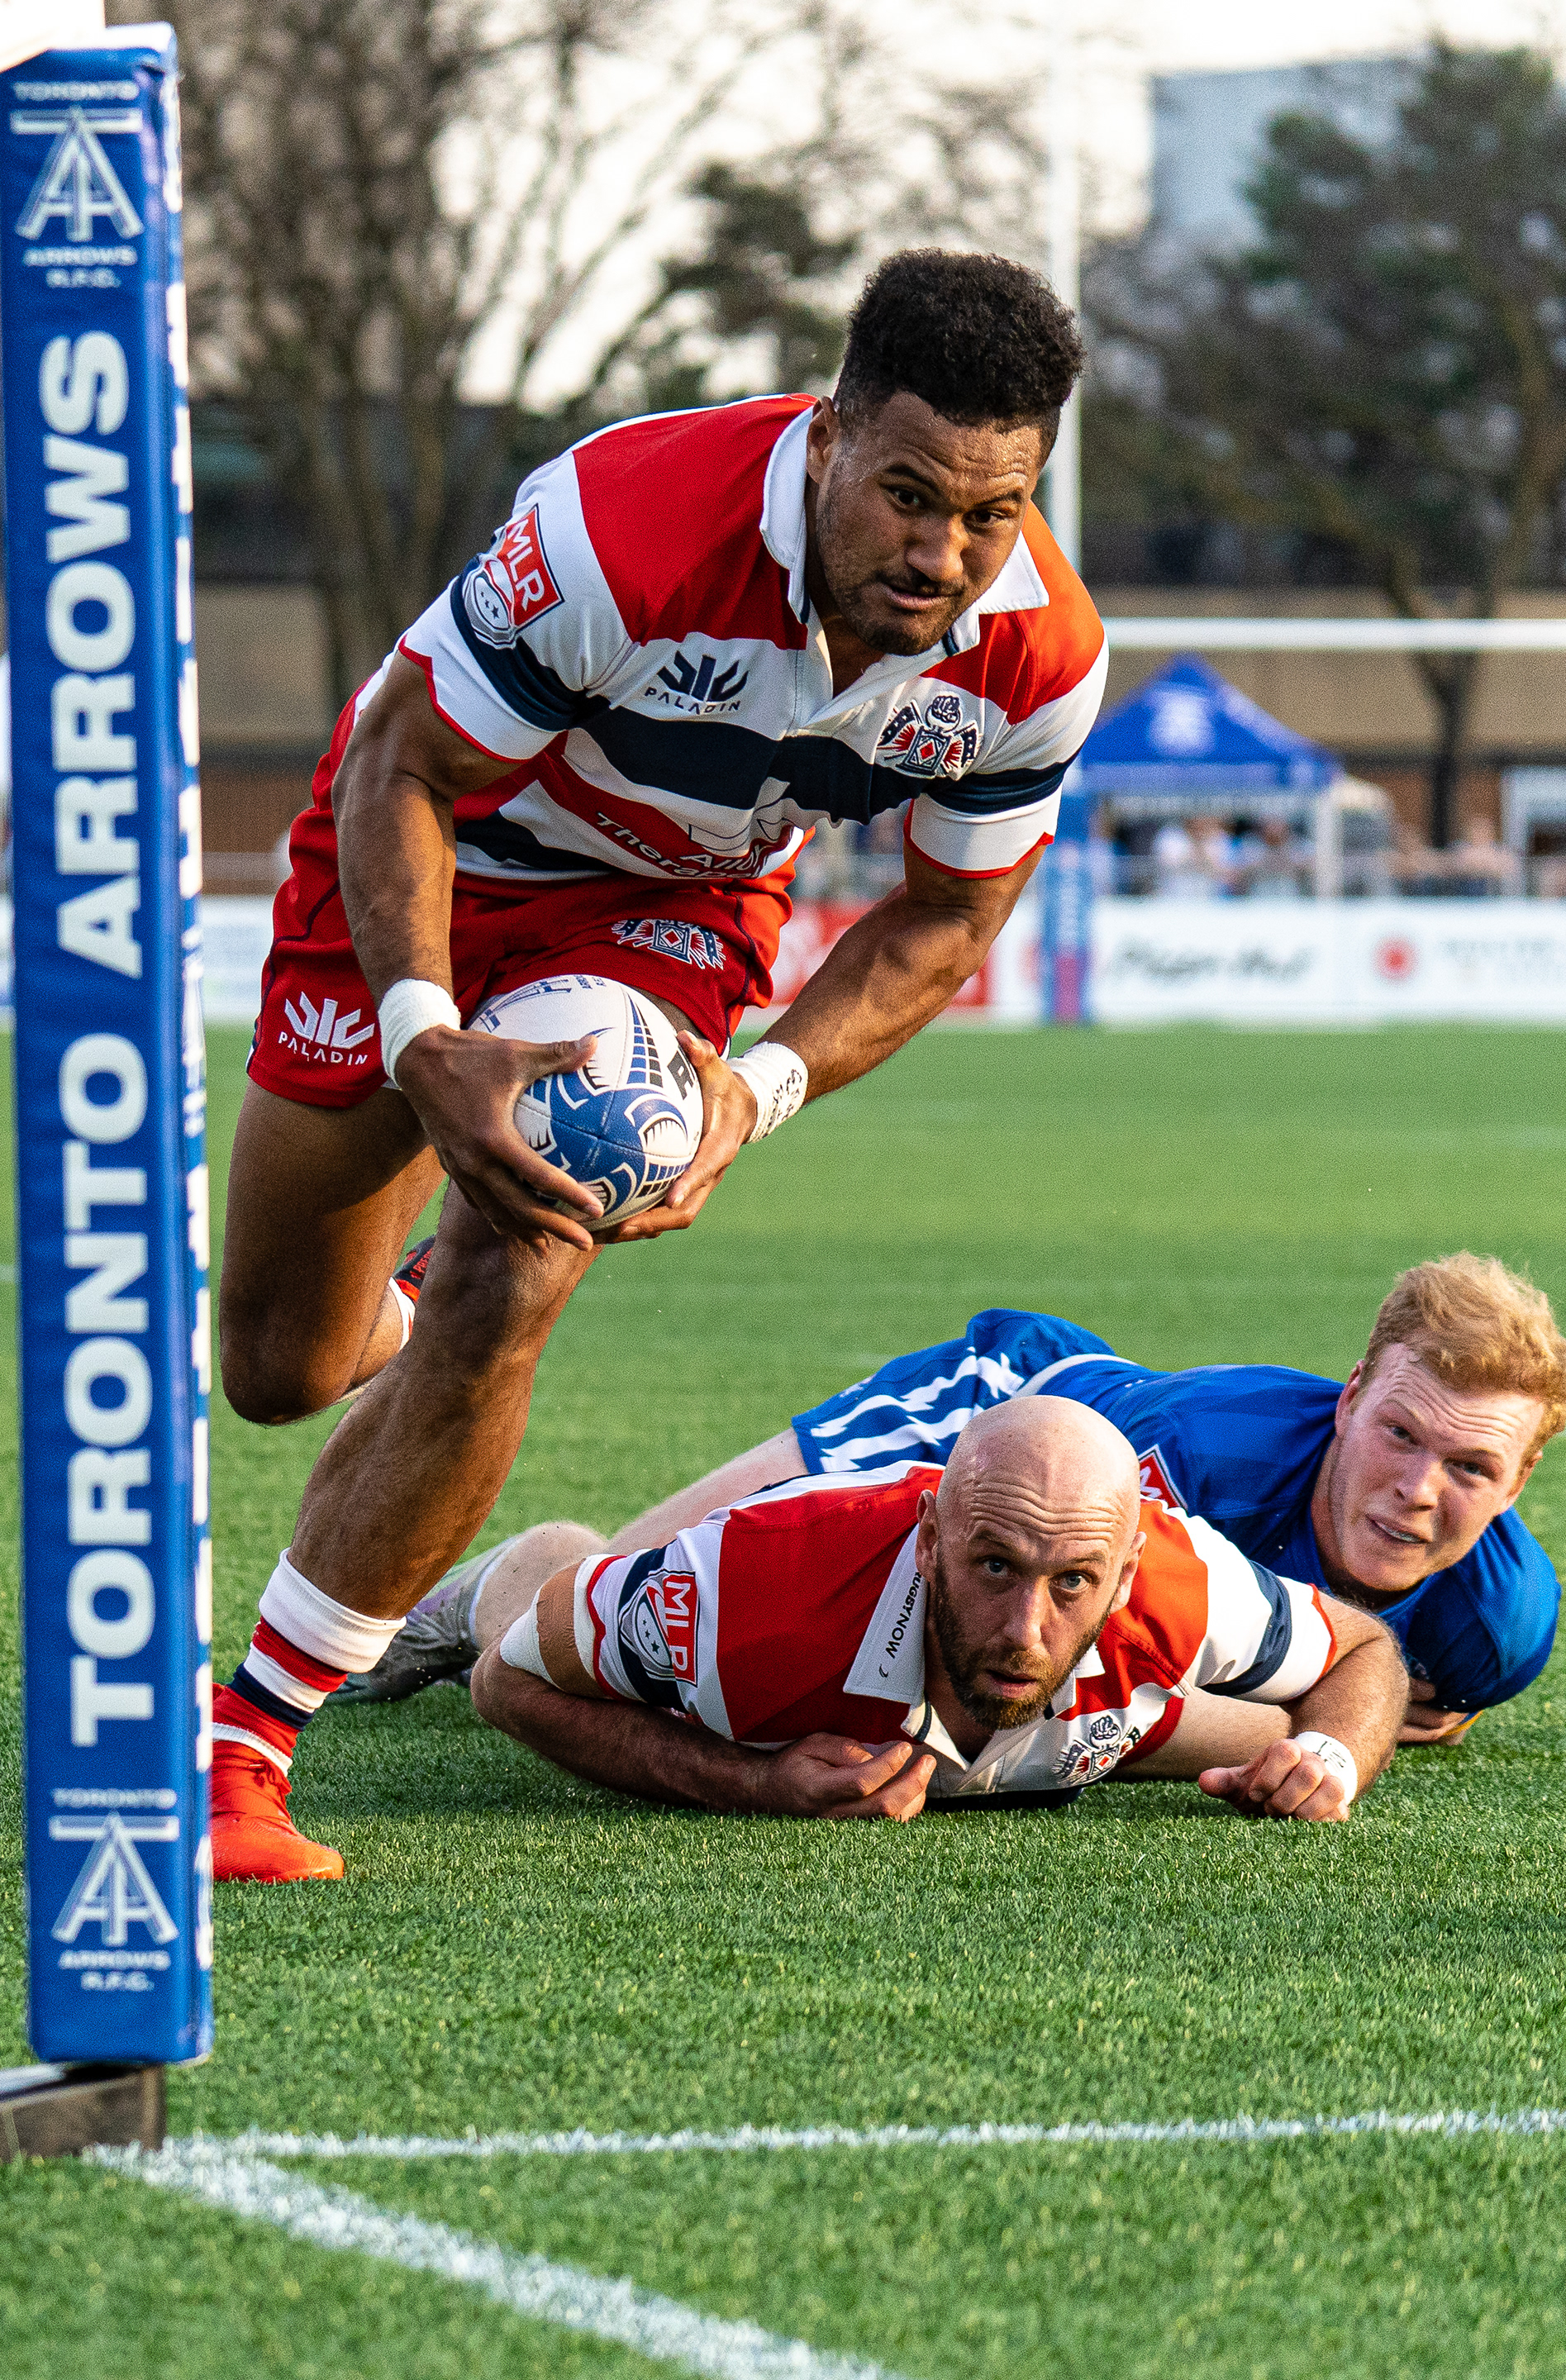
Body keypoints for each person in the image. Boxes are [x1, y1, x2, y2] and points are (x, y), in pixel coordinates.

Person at [211, 249, 1111, 1883]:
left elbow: (942, 920)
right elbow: (402, 766)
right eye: (909, 496)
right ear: (828, 439)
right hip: (427, 852)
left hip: (667, 910)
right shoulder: (621, 526)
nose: (943, 553)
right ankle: (401, 1307)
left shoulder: (1039, 657)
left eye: (992, 513)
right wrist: (424, 1040)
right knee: (280, 1363)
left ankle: (243, 1757)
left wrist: (754, 1090)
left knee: (523, 1260)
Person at [360, 1253, 1566, 1749]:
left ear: (1520, 1484)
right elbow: (1062, 1652)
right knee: (625, 1606)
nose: (1417, 1492)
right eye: (1399, 1433)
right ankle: (486, 1595)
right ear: (1349, 1399)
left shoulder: (1497, 1625)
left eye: (1471, 1470)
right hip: (986, 1419)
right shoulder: (1203, 1461)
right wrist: (1317, 1720)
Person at [468, 1400, 1407, 1821]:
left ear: (1124, 1576)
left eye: (1072, 1583)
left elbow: (1364, 1652)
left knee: (1288, 1734)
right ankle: (485, 1577)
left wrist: (1330, 1762)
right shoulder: (746, 1596)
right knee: (540, 1590)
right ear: (928, 1541)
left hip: (1091, 1723)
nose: (1025, 1630)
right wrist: (748, 1784)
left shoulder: (1182, 1587)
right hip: (776, 1623)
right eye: (994, 1566)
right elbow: (505, 1683)